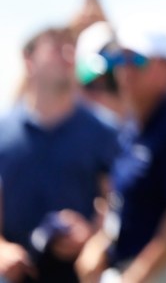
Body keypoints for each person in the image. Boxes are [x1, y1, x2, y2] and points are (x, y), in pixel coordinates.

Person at [76, 31, 166, 283]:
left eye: (138, 60)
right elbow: (123, 204)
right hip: (138, 268)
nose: (126, 70)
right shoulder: (134, 129)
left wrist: (138, 274)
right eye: (120, 60)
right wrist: (101, 243)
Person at [0, 26, 118, 283]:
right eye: (56, 49)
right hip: (15, 273)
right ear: (28, 60)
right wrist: (1, 248)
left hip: (80, 274)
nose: (67, 56)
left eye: (71, 49)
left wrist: (93, 236)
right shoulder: (3, 131)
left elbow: (116, 200)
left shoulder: (104, 130)